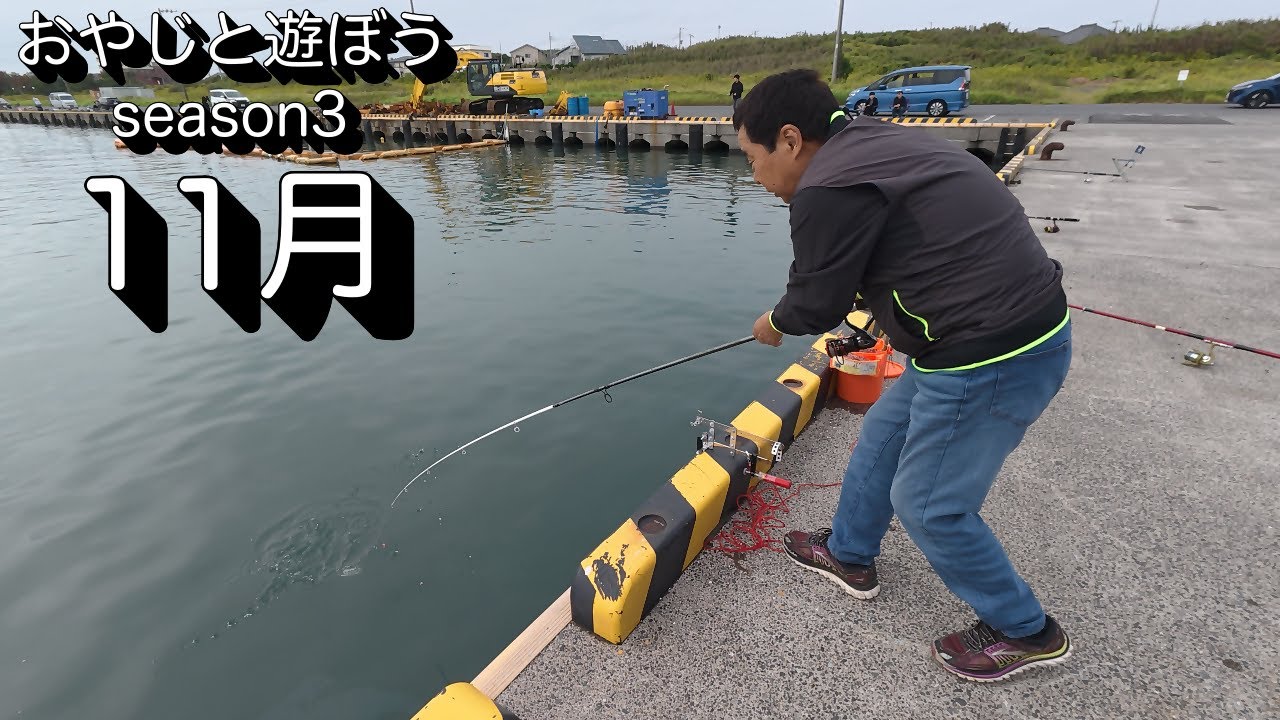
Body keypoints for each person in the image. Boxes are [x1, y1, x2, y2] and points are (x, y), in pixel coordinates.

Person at [733, 68, 1073, 683]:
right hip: (972, 337)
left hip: (992, 354)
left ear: (788, 139)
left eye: (753, 159)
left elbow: (814, 303)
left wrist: (773, 322)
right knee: (883, 436)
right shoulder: (872, 140)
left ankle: (1028, 631)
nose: (756, 179)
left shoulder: (827, 185)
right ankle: (849, 555)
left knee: (930, 505)